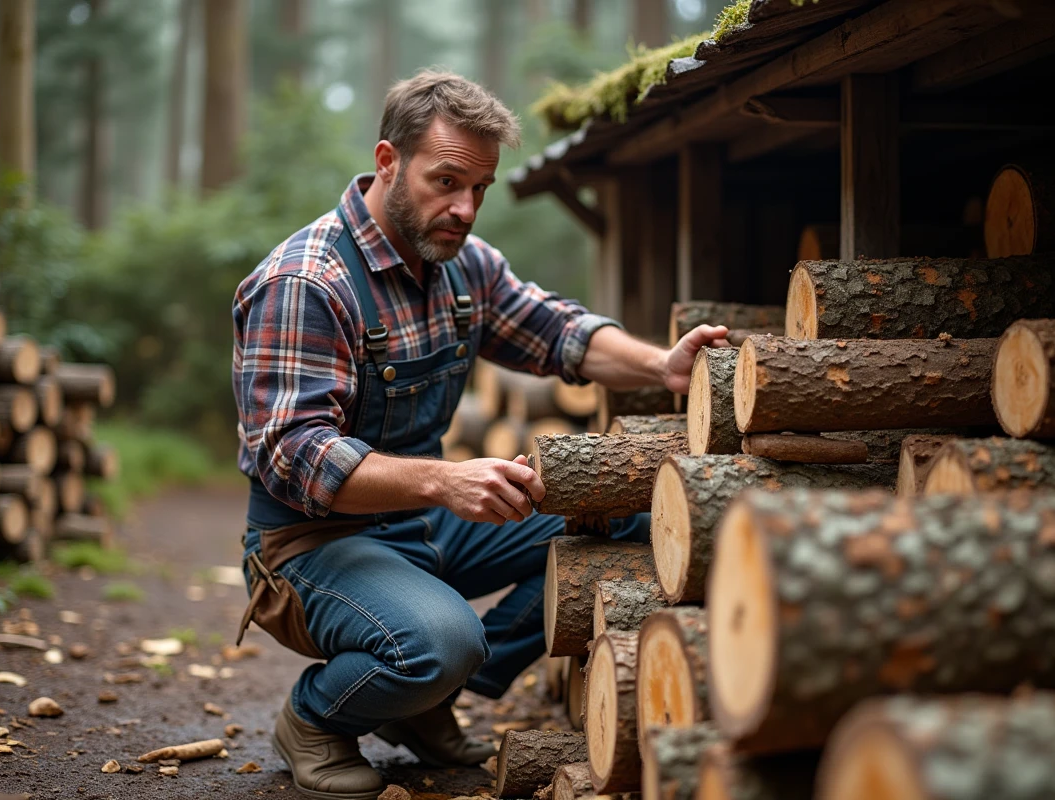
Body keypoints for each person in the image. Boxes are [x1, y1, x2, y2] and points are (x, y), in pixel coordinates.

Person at [233, 69, 728, 800]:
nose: (464, 209)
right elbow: (293, 456)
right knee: (440, 642)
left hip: (419, 518)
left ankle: (431, 693)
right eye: (446, 182)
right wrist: (443, 479)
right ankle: (316, 716)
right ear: (387, 161)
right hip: (310, 546)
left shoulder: (459, 262)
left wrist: (665, 364)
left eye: (480, 190)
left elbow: (557, 331)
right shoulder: (307, 282)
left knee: (630, 506)